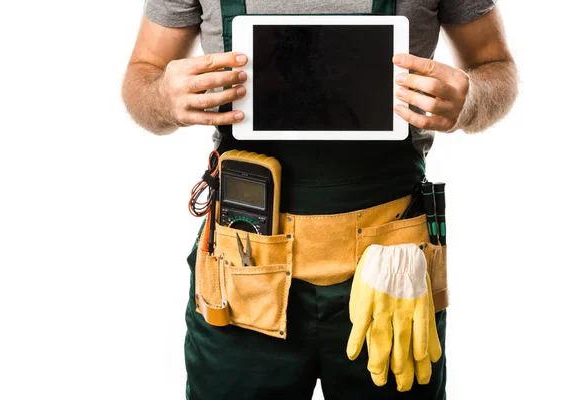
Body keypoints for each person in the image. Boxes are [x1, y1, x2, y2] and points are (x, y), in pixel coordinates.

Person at [121, 1, 518, 399]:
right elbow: (142, 76)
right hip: (242, 272)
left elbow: (495, 65)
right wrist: (162, 98)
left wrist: (471, 102)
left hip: (392, 273)